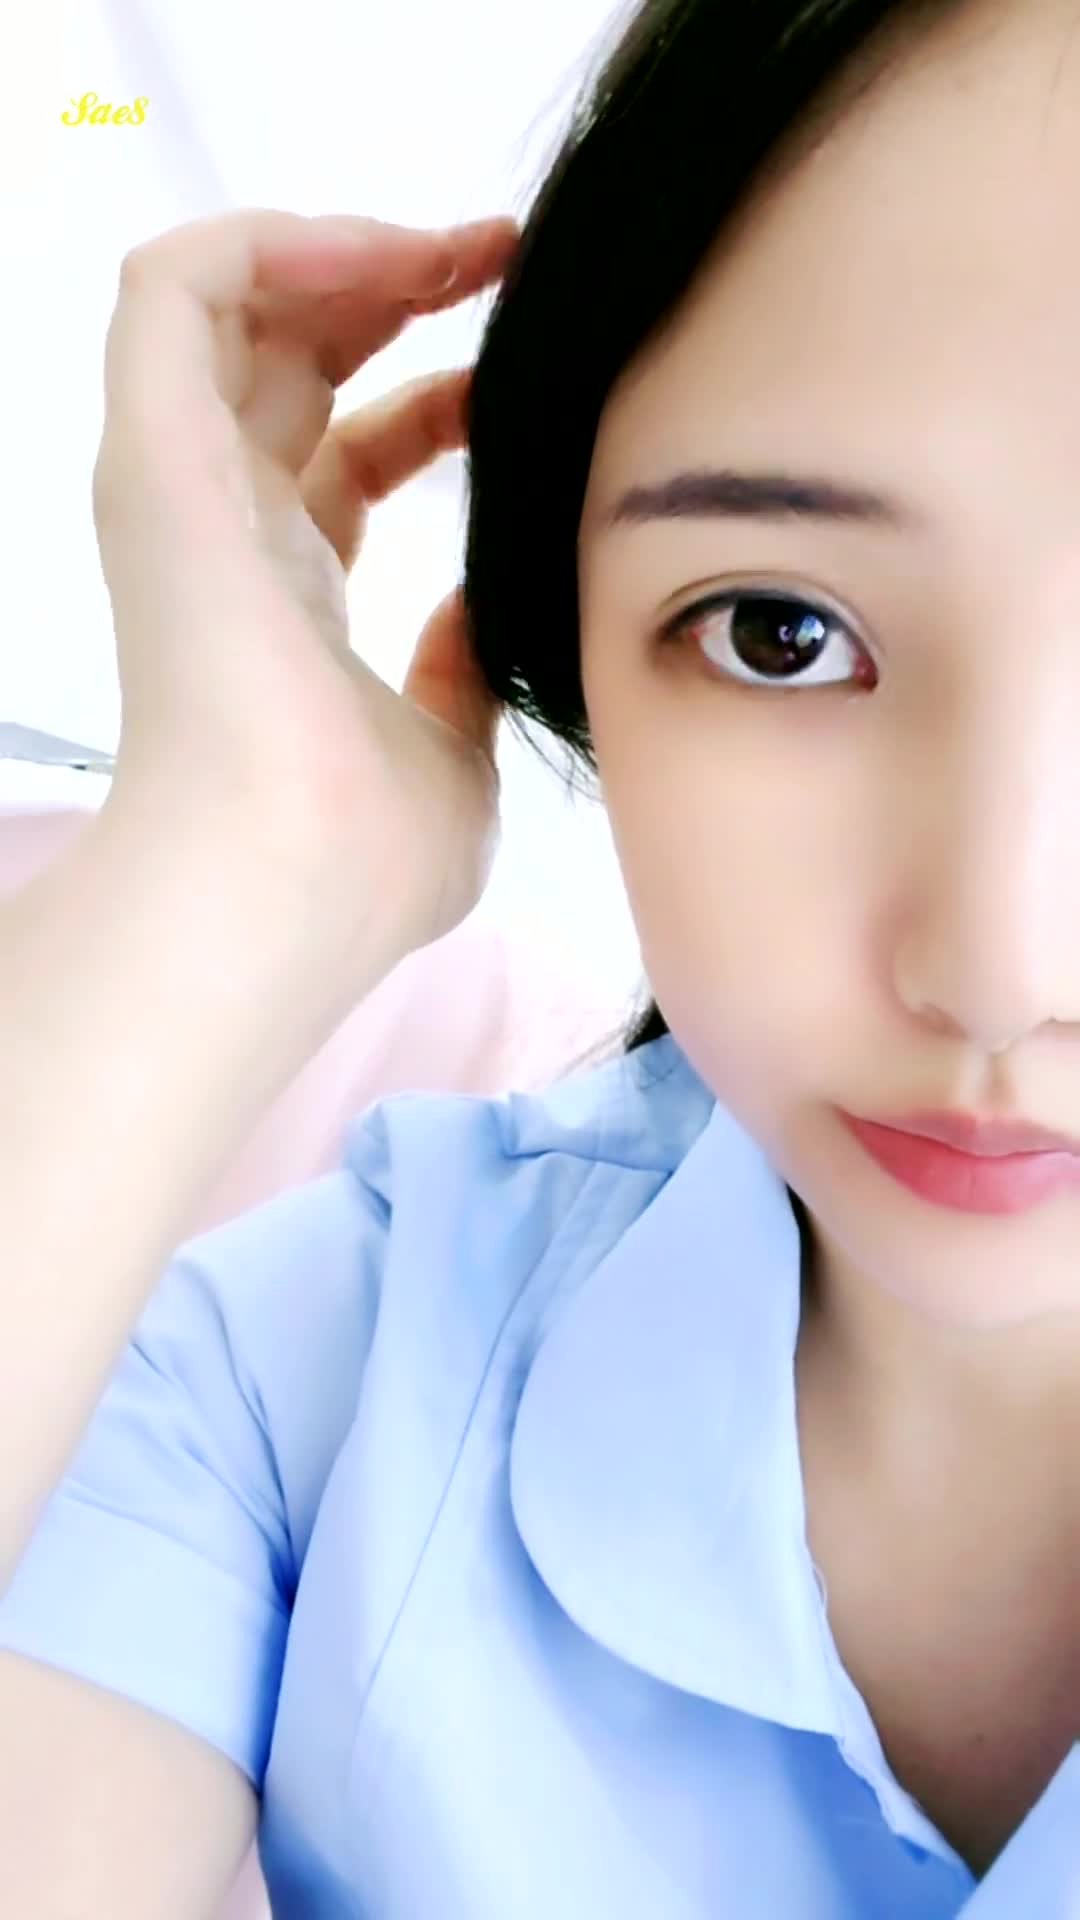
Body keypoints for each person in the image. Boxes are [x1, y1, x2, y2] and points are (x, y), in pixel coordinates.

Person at [0, 0, 1078, 1912]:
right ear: (568, 642)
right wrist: (228, 852)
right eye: (779, 632)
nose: (1002, 966)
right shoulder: (308, 1380)